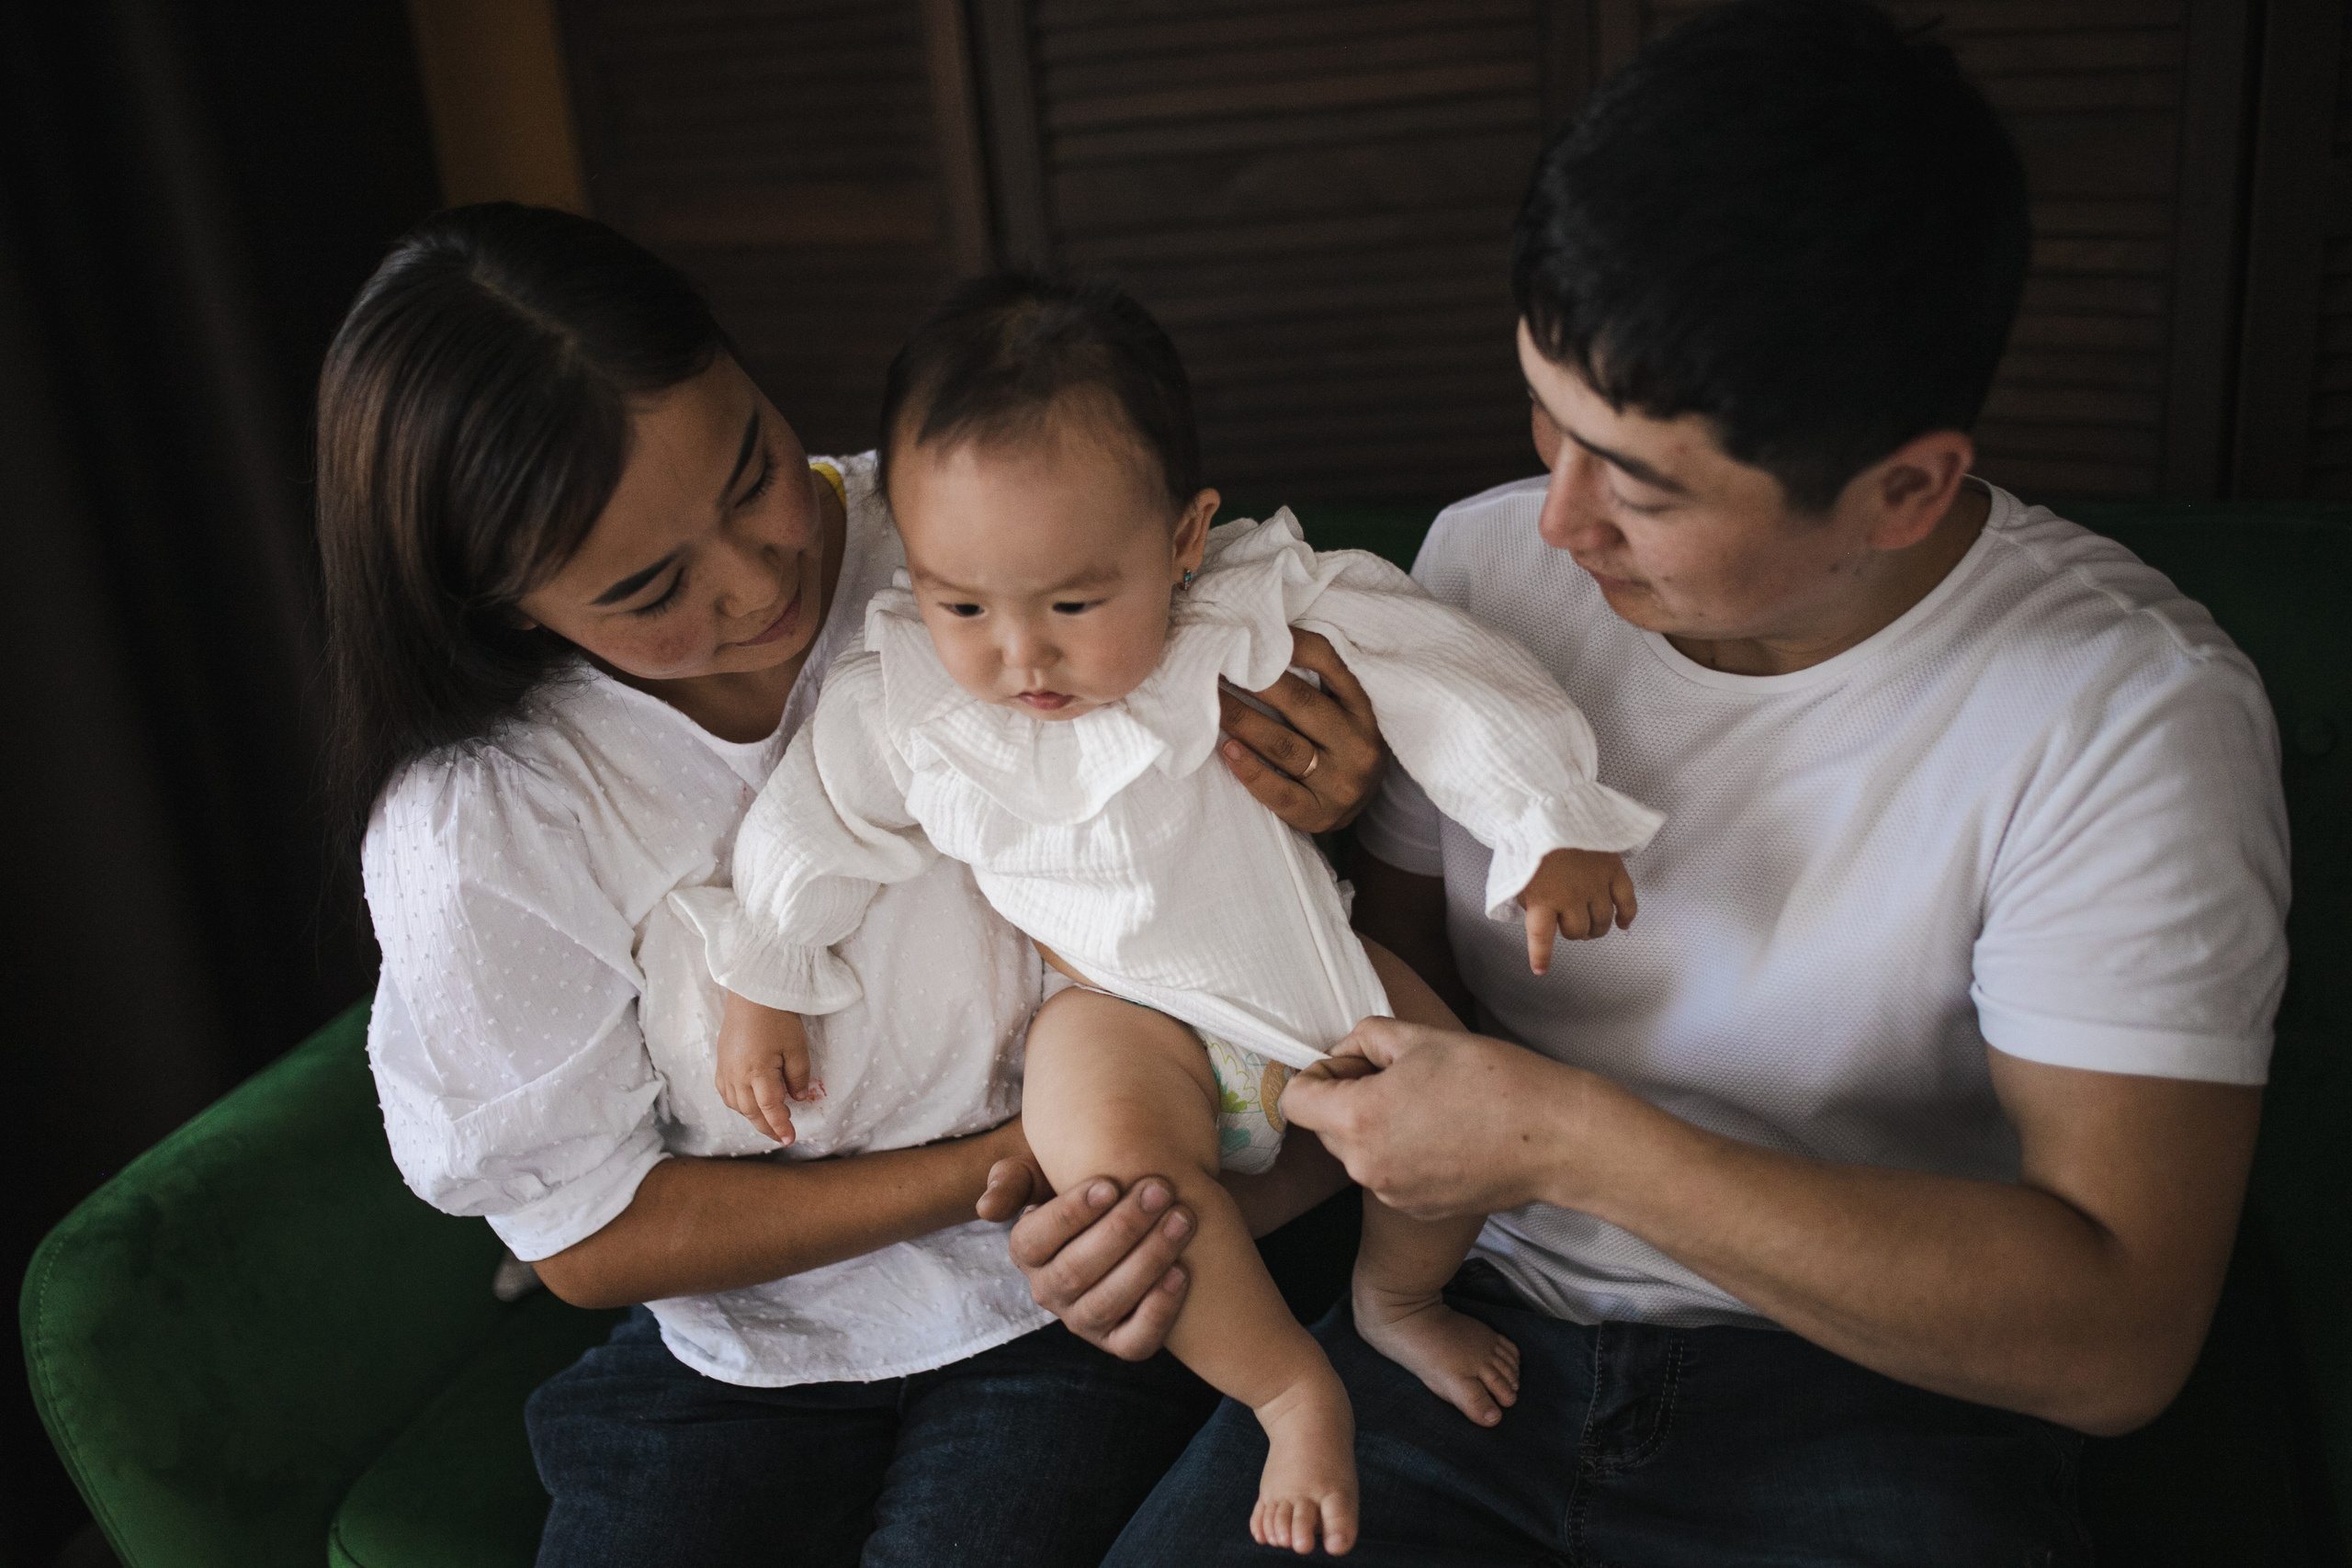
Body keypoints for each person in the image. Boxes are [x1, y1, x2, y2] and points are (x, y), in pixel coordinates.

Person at [1012, 4, 2290, 1562]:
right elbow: (1377, 1039)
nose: (1554, 526)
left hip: (1867, 1391)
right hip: (1459, 1326)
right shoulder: (1480, 566)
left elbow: (2116, 1341)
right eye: (1546, 423)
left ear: (1906, 491)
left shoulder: (2128, 717)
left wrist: (1570, 1142)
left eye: (1641, 484)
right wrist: (1161, 1207)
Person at [316, 205, 1386, 1568]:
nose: (763, 581)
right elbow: (587, 1238)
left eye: (753, 470)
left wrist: (1329, 791)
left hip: (1069, 1281)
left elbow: (1243, 726)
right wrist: (1001, 1163)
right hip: (748, 1337)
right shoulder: (483, 814)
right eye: (652, 588)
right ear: (506, 603)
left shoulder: (978, 522)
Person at [702, 274, 1661, 1555]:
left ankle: (1395, 1300)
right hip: (1116, 1019)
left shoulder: (1262, 611)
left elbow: (1449, 675)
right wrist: (770, 962)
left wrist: (1549, 819)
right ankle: (1288, 1389)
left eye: (1073, 603)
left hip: (1315, 985)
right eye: (962, 602)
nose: (1018, 657)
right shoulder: (909, 697)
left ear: (1185, 537)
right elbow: (819, 819)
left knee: (1464, 1117)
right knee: (1118, 1188)